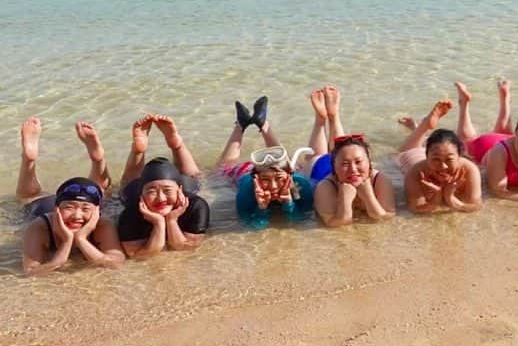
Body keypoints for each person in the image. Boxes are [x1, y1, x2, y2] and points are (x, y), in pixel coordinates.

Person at [117, 114, 209, 257]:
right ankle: (138, 151)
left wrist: (171, 220)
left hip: (183, 187)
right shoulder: (131, 212)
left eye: (166, 191)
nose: (161, 198)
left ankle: (177, 144)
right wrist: (159, 223)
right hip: (139, 190)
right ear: (142, 194)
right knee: (127, 188)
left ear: (179, 190)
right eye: (152, 191)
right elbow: (137, 255)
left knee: (195, 179)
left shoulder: (196, 206)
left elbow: (184, 247)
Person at [216, 98, 316, 229]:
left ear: (290, 175)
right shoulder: (247, 188)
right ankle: (243, 125)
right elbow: (251, 226)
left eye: (279, 179)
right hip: (245, 171)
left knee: (285, 160)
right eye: (265, 180)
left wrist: (289, 203)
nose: (273, 187)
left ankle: (255, 123)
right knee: (224, 168)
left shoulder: (301, 184)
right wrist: (261, 208)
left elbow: (301, 221)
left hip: (283, 170)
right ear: (256, 178)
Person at [21, 176, 125, 276]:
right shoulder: (39, 227)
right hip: (40, 207)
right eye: (69, 207)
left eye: (85, 209)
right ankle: (28, 164)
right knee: (29, 197)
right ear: (57, 208)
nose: (77, 216)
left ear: (96, 211)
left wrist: (81, 239)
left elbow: (116, 265)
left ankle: (98, 163)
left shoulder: (103, 225)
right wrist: (65, 246)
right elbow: (30, 273)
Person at [396, 101, 482, 214]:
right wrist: (436, 200)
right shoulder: (415, 172)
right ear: (426, 157)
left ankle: (420, 127)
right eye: (436, 160)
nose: (443, 166)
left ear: (459, 156)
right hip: (412, 156)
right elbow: (415, 209)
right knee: (406, 149)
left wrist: (450, 198)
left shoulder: (469, 169)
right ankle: (422, 127)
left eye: (449, 160)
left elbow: (475, 206)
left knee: (435, 147)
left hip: (435, 150)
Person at [17, 116, 111, 216]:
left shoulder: (42, 226)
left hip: (51, 212)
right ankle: (98, 161)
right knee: (29, 197)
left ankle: (28, 161)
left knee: (99, 192)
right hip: (55, 210)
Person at [313, 135, 396, 224]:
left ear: (369, 163)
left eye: (358, 162)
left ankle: (334, 121)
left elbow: (386, 219)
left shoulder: (380, 180)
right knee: (316, 155)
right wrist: (345, 201)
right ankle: (320, 123)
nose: (353, 169)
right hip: (320, 169)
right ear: (335, 168)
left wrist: (369, 197)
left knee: (340, 151)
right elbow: (333, 224)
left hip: (338, 159)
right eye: (345, 164)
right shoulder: (324, 187)